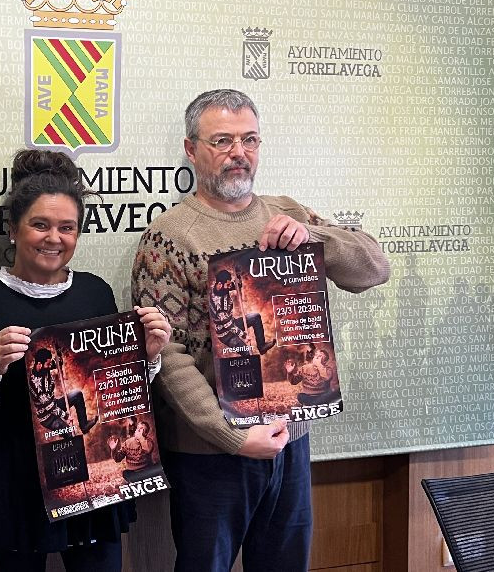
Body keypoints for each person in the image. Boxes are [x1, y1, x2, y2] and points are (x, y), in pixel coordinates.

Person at [131, 88, 390, 572]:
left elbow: (374, 269)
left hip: (291, 440)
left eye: (249, 140)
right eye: (222, 141)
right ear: (191, 149)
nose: (238, 153)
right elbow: (168, 356)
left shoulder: (287, 213)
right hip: (210, 453)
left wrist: (315, 238)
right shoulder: (167, 237)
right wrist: (231, 435)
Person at [0, 149, 171, 572]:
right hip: (13, 477)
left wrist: (146, 356)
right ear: (12, 229)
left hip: (92, 474)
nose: (53, 238)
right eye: (40, 224)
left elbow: (117, 395)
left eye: (67, 227)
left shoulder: (96, 292)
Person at [28, 346, 96, 437]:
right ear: (39, 364)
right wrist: (66, 416)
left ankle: (84, 426)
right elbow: (49, 407)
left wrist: (58, 354)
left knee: (77, 394)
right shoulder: (35, 384)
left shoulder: (44, 367)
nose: (50, 366)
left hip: (54, 404)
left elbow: (57, 363)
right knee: (70, 435)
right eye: (48, 364)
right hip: (48, 417)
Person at [209, 268, 275, 355]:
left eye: (229, 284)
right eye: (228, 285)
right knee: (248, 353)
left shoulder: (221, 287)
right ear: (220, 284)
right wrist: (244, 336)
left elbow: (237, 285)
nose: (230, 286)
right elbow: (228, 325)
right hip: (226, 334)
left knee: (255, 317)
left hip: (232, 323)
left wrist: (238, 275)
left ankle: (262, 346)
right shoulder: (218, 305)